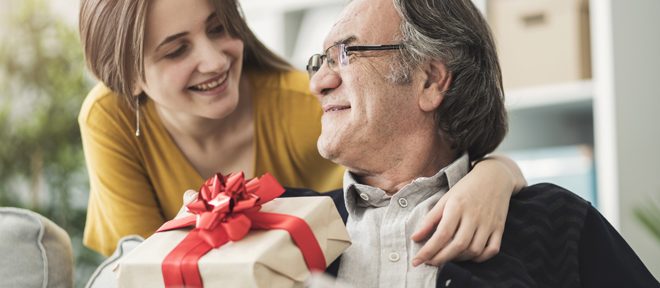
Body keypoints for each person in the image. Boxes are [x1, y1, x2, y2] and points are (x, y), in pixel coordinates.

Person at [77, 0, 526, 262]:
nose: (213, 60)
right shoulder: (110, 119)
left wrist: (495, 174)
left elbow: (433, 150)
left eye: (219, 29)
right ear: (128, 77)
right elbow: (138, 268)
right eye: (176, 51)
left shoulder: (309, 102)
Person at [301, 0, 658, 286]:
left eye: (346, 54)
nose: (319, 83)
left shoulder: (556, 222)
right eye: (320, 62)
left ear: (430, 80)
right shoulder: (283, 222)